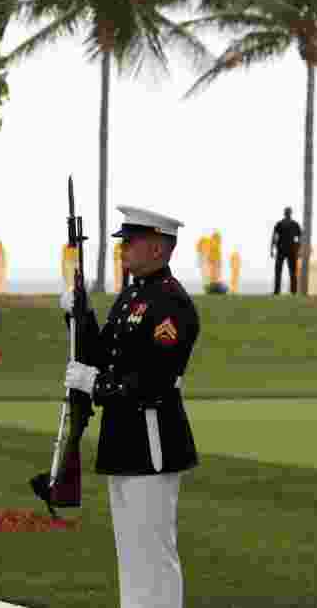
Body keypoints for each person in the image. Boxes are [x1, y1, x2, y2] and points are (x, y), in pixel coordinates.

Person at [60, 205, 200, 608]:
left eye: (132, 241)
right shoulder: (131, 296)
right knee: (131, 550)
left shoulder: (171, 304)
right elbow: (101, 353)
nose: (123, 248)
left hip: (151, 438)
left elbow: (153, 384)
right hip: (121, 437)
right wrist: (79, 315)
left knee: (153, 550)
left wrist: (96, 385)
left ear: (158, 248)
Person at [270, 207, 302, 295]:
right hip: (286, 250)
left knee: (288, 272)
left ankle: (290, 291)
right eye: (287, 212)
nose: (287, 214)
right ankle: (290, 291)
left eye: (287, 212)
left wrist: (299, 250)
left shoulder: (289, 224)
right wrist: (271, 249)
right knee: (285, 271)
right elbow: (274, 236)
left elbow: (300, 238)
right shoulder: (285, 224)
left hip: (288, 250)